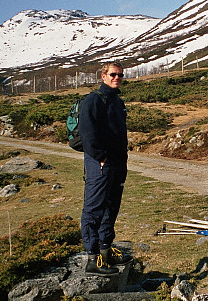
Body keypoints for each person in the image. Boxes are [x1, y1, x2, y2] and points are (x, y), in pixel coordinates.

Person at [79, 61, 132, 276]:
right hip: (99, 163)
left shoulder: (117, 102)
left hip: (118, 163)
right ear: (103, 76)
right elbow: (87, 132)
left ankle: (106, 250)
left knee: (111, 207)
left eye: (120, 75)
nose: (116, 78)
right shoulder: (93, 100)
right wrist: (100, 157)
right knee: (94, 208)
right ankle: (92, 258)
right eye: (113, 74)